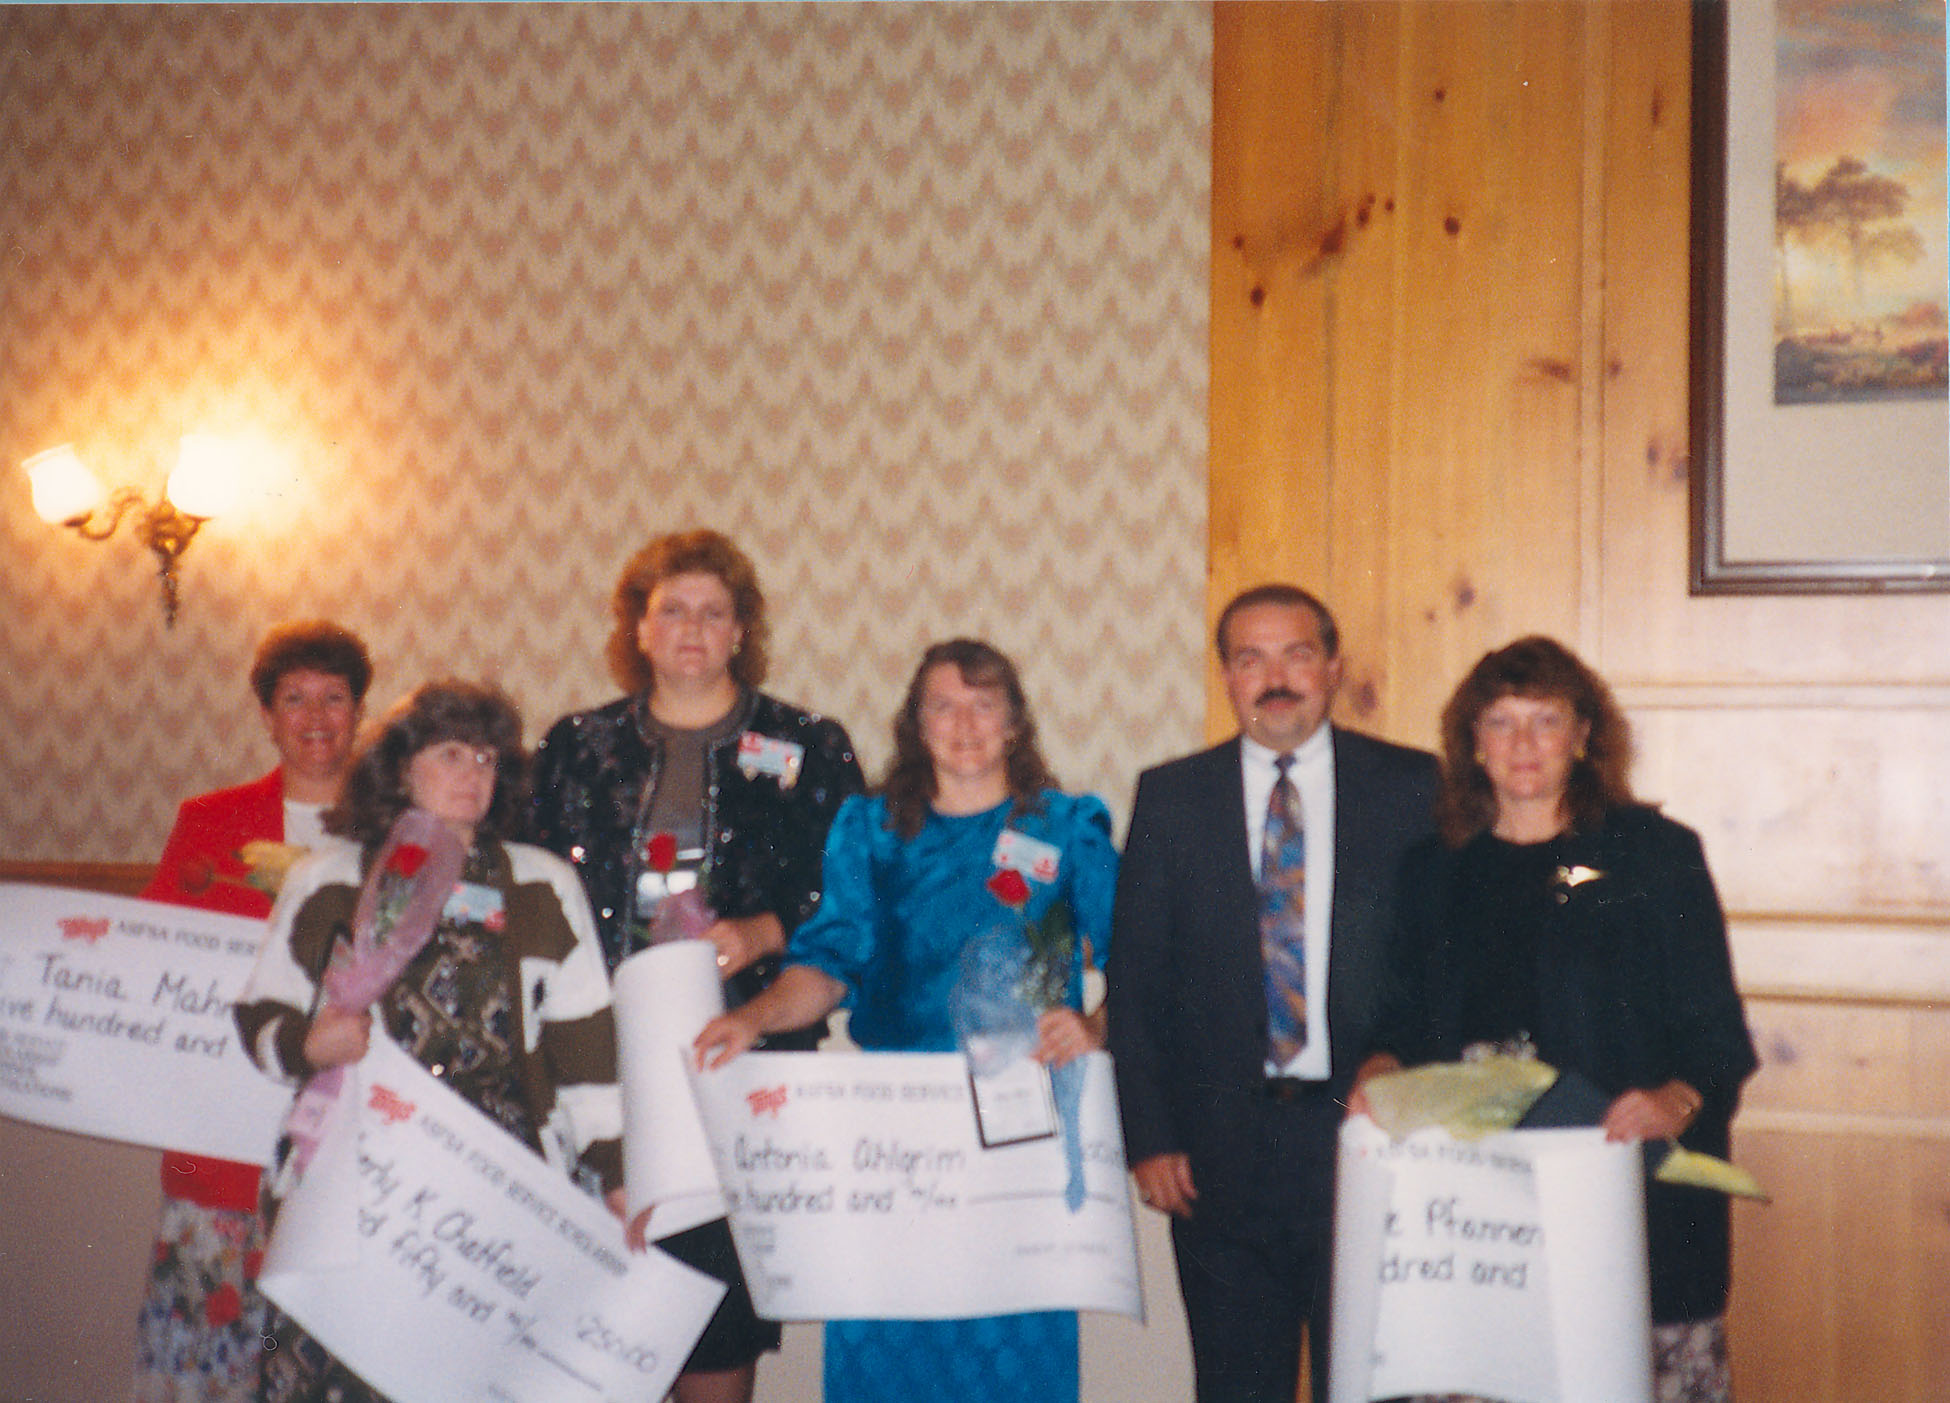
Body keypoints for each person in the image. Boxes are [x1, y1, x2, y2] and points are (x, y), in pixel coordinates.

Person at [694, 638, 1118, 1403]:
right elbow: (828, 964)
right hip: (894, 1141)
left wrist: (1094, 1028)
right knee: (888, 1358)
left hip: (1018, 1136)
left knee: (1012, 1359)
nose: (964, 725)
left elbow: (1143, 966)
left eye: (983, 706)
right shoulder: (871, 831)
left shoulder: (1067, 827)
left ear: (1014, 724)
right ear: (917, 725)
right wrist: (753, 1017)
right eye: (943, 707)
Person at [1349, 636, 1758, 1403]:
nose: (1524, 743)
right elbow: (1398, 1019)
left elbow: (1715, 1032)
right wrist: (1378, 1070)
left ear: (1583, 736)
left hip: (1627, 1196)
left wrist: (1676, 1099)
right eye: (1501, 722)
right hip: (1477, 1217)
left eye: (1546, 719)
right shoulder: (1434, 869)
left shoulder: (1654, 856)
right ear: (1473, 743)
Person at [528, 528, 863, 1403]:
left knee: (713, 1327)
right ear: (638, 629)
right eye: (671, 610)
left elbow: (853, 894)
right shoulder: (576, 745)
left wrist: (767, 928)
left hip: (736, 1066)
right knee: (599, 1334)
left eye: (715, 612)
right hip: (596, 1075)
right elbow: (529, 891)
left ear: (740, 631)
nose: (692, 628)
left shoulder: (806, 744)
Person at [232, 681, 625, 1403]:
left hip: (504, 1183)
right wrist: (310, 1045)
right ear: (401, 767)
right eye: (451, 754)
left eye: (487, 758)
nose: (473, 772)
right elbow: (260, 1017)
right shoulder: (332, 877)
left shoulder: (541, 883)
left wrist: (617, 1173)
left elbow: (587, 1046)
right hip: (360, 1177)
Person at [1105, 584, 1439, 1403]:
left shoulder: (1410, 786)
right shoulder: (1172, 796)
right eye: (1251, 659)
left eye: (1296, 654)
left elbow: (1440, 961)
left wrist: (1399, 1059)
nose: (1276, 678)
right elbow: (1137, 980)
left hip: (1366, 1132)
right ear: (1227, 675)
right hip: (1218, 1152)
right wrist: (1149, 1135)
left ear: (1332, 668)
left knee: (1373, 1385)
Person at [133, 619, 373, 1403]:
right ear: (267, 716)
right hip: (224, 1134)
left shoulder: (399, 833)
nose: (315, 716)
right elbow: (150, 954)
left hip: (348, 1141)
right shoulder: (210, 821)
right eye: (294, 698)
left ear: (358, 712)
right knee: (213, 1363)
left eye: (334, 697)